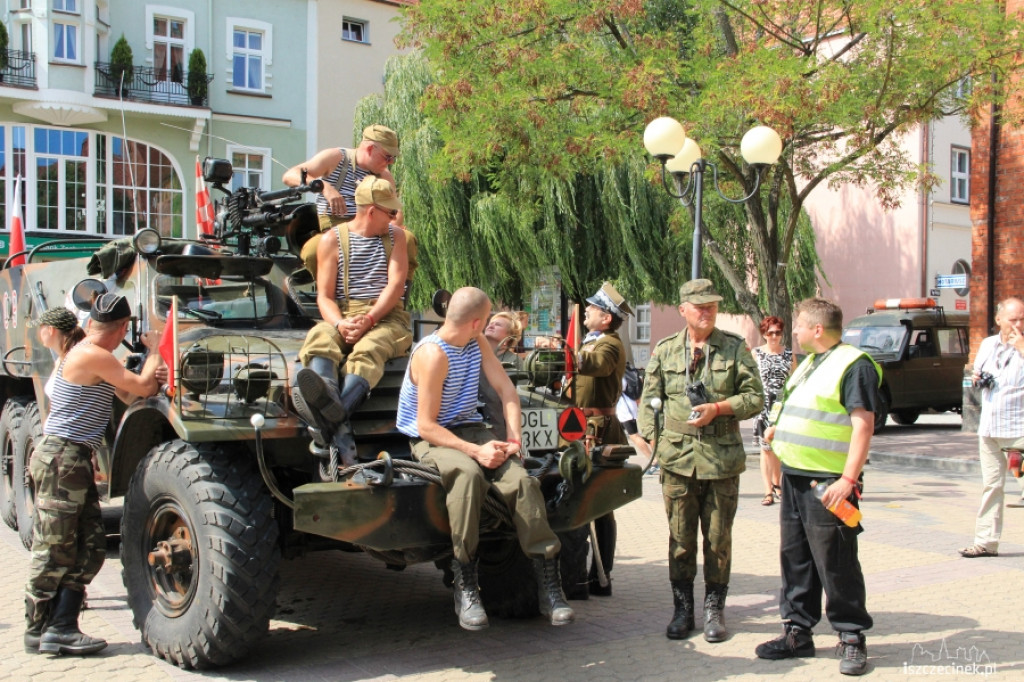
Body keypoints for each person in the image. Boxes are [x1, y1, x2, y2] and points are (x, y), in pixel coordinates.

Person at [396, 287, 574, 631]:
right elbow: (426, 426)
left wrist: (514, 440)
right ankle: (465, 585)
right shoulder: (432, 354)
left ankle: (550, 586)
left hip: (472, 428)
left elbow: (507, 391)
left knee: (522, 482)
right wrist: (477, 452)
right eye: (489, 317)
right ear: (477, 322)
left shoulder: (475, 342)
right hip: (432, 438)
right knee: (467, 476)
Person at [25, 295, 164, 656]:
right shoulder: (93, 354)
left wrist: (150, 372)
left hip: (72, 458)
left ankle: (61, 627)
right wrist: (156, 349)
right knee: (55, 547)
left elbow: (128, 394)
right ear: (122, 328)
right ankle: (39, 628)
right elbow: (144, 388)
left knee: (89, 546)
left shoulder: (95, 355)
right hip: (62, 457)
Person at [754, 297, 881, 676]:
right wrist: (777, 430)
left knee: (836, 561)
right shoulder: (810, 363)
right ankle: (797, 632)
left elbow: (863, 425)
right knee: (795, 558)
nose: (793, 331)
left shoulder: (854, 365)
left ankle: (851, 636)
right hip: (795, 476)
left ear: (818, 329)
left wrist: (848, 480)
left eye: (798, 325)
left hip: (830, 483)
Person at [638, 279, 763, 643]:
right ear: (683, 310)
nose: (707, 312)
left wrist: (719, 408)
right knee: (680, 540)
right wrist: (653, 440)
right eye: (700, 306)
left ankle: (714, 609)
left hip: (721, 459)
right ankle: (682, 609)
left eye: (712, 306)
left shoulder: (735, 348)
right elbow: (649, 400)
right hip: (677, 460)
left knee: (718, 540)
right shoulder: (665, 350)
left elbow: (755, 398)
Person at [291, 175, 412, 468]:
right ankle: (330, 398)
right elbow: (324, 297)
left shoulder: (396, 237)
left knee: (370, 349)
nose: (394, 216)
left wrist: (369, 319)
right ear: (371, 211)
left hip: (385, 315)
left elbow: (395, 286)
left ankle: (328, 419)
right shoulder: (331, 240)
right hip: (343, 313)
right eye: (389, 211)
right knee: (320, 337)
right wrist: (339, 324)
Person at [573, 282, 631, 597]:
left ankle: (601, 574)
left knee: (600, 504)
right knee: (582, 500)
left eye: (593, 308)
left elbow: (599, 365)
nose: (587, 311)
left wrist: (572, 356)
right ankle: (584, 573)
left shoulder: (609, 344)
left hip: (599, 431)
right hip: (581, 427)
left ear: (606, 318)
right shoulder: (592, 340)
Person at [282, 124, 399, 275]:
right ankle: (329, 287)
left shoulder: (384, 176)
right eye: (387, 157)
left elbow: (396, 213)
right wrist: (324, 187)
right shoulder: (337, 158)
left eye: (393, 158)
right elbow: (290, 175)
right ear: (370, 149)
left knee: (406, 241)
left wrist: (392, 228)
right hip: (335, 231)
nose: (391, 162)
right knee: (312, 251)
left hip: (371, 233)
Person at [959, 297, 1024, 557]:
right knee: (992, 487)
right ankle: (986, 542)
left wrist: (1022, 347)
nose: (1018, 324)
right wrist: (977, 378)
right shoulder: (987, 345)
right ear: (999, 320)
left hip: (1018, 433)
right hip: (989, 431)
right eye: (1013, 319)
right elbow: (976, 375)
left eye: (1022, 319)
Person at [752, 316, 797, 506]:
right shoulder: (756, 354)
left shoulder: (788, 354)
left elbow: (795, 381)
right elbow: (750, 379)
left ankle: (777, 484)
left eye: (777, 332)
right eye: (770, 333)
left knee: (777, 448)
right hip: (763, 406)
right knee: (766, 449)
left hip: (780, 406)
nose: (774, 336)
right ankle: (767, 490)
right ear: (764, 334)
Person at [478, 311, 524, 441]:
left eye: (497, 325)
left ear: (508, 337)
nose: (491, 325)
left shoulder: (514, 360)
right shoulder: (474, 354)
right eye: (490, 323)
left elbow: (519, 392)